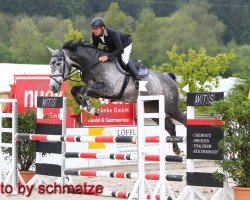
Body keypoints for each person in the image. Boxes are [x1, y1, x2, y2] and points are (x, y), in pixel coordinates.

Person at [91, 17, 140, 86]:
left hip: (125, 45)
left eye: (96, 28)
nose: (94, 31)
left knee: (124, 59)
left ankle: (137, 79)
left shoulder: (113, 33)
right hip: (113, 46)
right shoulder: (95, 35)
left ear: (102, 28)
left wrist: (107, 57)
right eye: (93, 28)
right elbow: (94, 48)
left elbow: (120, 50)